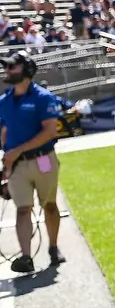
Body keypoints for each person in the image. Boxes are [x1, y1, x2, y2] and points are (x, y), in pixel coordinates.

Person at [1, 51, 65, 274]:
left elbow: (49, 132)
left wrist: (17, 150)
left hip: (44, 160)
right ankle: (26, 257)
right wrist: (5, 162)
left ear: (26, 70)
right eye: (7, 67)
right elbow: (5, 131)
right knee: (22, 209)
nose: (7, 71)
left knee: (49, 205)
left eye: (12, 67)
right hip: (17, 165)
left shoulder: (43, 97)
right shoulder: (4, 102)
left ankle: (54, 247)